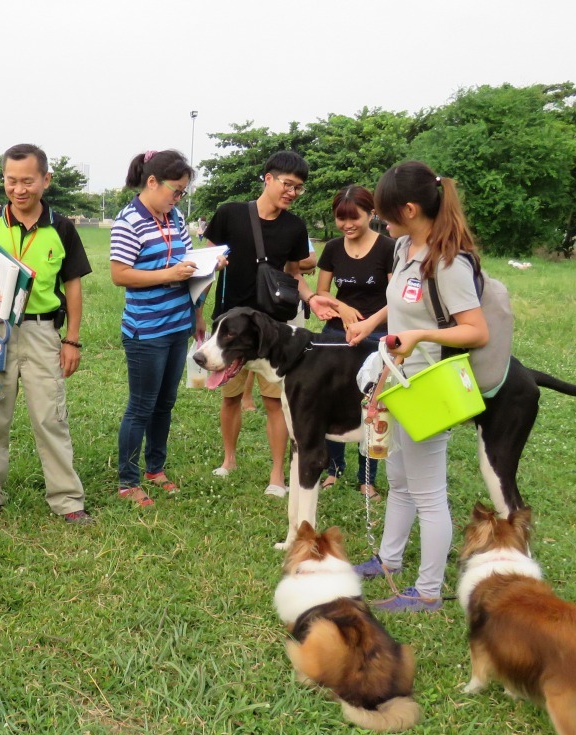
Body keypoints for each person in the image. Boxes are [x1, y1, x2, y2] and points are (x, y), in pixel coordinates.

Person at [350, 161, 489, 613]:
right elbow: (398, 306)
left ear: (410, 208)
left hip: (431, 388)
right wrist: (367, 323)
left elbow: (475, 331)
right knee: (400, 482)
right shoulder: (403, 248)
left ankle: (427, 592)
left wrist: (422, 337)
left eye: (387, 215)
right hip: (398, 381)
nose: (381, 223)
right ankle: (387, 560)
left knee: (429, 494)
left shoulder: (447, 263)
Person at [0, 144, 93, 525]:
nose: (19, 189)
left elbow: (75, 286)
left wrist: (72, 339)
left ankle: (67, 500)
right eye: (11, 180)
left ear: (45, 180)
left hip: (42, 332)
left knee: (50, 416)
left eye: (28, 181)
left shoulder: (62, 227)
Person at [203, 151, 338, 496]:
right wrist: (197, 314)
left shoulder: (294, 226)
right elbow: (205, 263)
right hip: (230, 327)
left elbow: (294, 274)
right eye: (288, 184)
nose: (292, 192)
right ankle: (229, 459)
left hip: (272, 330)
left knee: (275, 402)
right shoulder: (230, 213)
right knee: (229, 395)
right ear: (268, 178)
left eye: (299, 188)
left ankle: (277, 475)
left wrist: (311, 298)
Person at [110, 150, 219, 506]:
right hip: (146, 330)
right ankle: (128, 481)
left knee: (165, 404)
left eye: (183, 193)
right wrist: (168, 275)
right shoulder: (129, 221)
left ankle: (155, 469)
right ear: (152, 182)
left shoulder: (174, 219)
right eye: (176, 190)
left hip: (178, 325)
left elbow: (189, 265)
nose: (178, 198)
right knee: (141, 406)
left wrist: (209, 268)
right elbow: (120, 274)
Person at [316, 185, 395, 495]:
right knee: (330, 399)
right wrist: (341, 306)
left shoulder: (388, 248)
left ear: (371, 214)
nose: (347, 225)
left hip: (376, 334)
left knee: (371, 403)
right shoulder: (334, 248)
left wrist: (371, 322)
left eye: (354, 218)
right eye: (340, 218)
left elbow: (397, 299)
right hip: (337, 333)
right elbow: (322, 292)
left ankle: (367, 477)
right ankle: (333, 468)